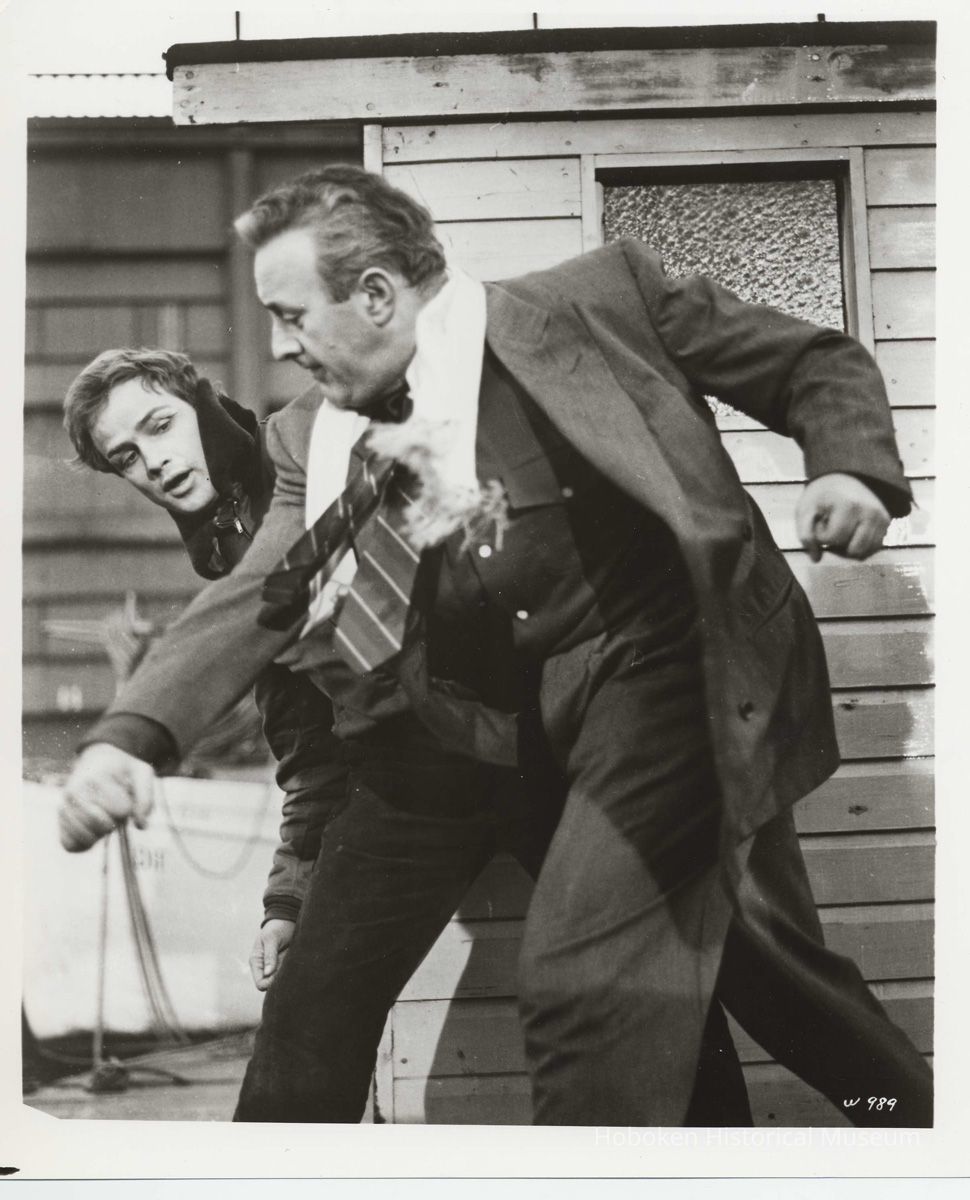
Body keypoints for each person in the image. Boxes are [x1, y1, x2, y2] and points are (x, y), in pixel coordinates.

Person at [59, 165, 932, 1127]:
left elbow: (812, 361)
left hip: (667, 668)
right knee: (376, 1010)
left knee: (713, 975)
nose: (276, 345)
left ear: (378, 295)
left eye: (293, 315)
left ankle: (916, 1130)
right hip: (450, 741)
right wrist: (129, 735)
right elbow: (259, 600)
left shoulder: (602, 299)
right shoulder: (315, 436)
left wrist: (846, 467)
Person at [59, 345, 751, 1125]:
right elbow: (307, 740)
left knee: (667, 988)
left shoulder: (320, 445)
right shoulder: (222, 547)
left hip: (546, 748)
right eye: (127, 457)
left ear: (203, 404)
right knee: (303, 1025)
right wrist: (288, 897)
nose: (154, 462)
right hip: (410, 783)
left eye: (159, 427)